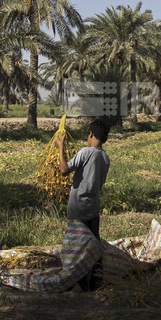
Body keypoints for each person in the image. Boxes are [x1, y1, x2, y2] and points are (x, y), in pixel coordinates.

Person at [57, 119, 110, 291]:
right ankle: (96, 283)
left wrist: (60, 147)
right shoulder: (105, 157)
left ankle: (79, 284)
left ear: (90, 134)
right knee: (94, 245)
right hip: (93, 208)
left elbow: (64, 170)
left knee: (76, 248)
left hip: (78, 209)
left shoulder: (86, 152)